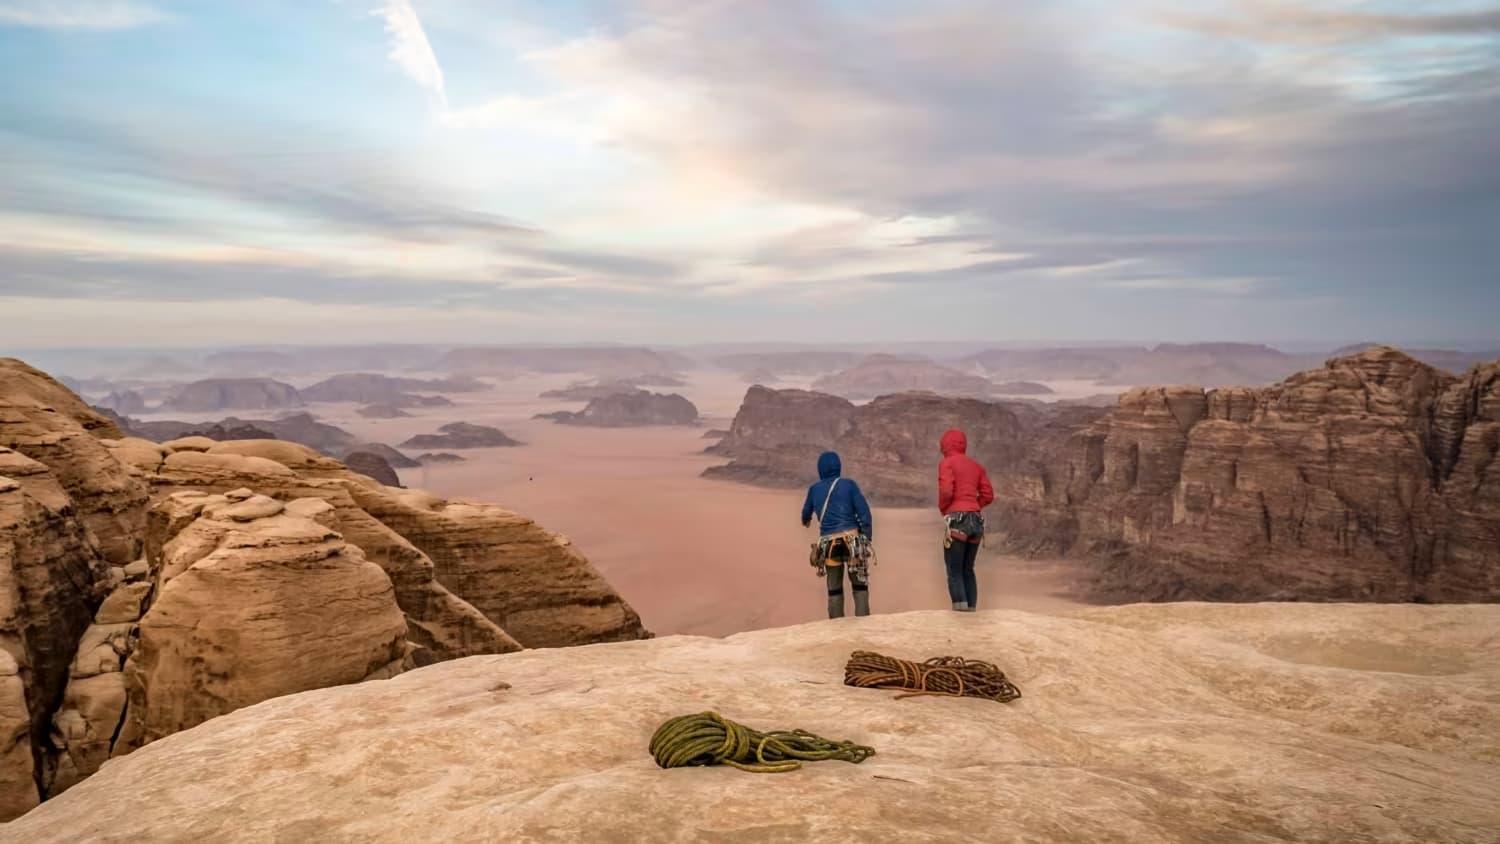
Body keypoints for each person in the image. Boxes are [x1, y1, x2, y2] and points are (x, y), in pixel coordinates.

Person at [801, 451, 874, 618]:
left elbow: (805, 514)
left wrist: (806, 520)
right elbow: (864, 512)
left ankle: (836, 628)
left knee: (834, 590)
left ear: (820, 469)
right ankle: (864, 626)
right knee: (859, 586)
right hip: (853, 543)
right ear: (838, 467)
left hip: (829, 545)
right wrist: (867, 537)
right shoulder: (849, 485)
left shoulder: (814, 489)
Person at [938, 428, 994, 612]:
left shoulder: (946, 463)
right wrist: (973, 505)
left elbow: (946, 491)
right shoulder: (977, 466)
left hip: (957, 520)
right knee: (968, 569)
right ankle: (971, 612)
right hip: (976, 521)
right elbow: (988, 495)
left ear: (945, 444)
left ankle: (960, 617)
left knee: (954, 571)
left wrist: (946, 509)